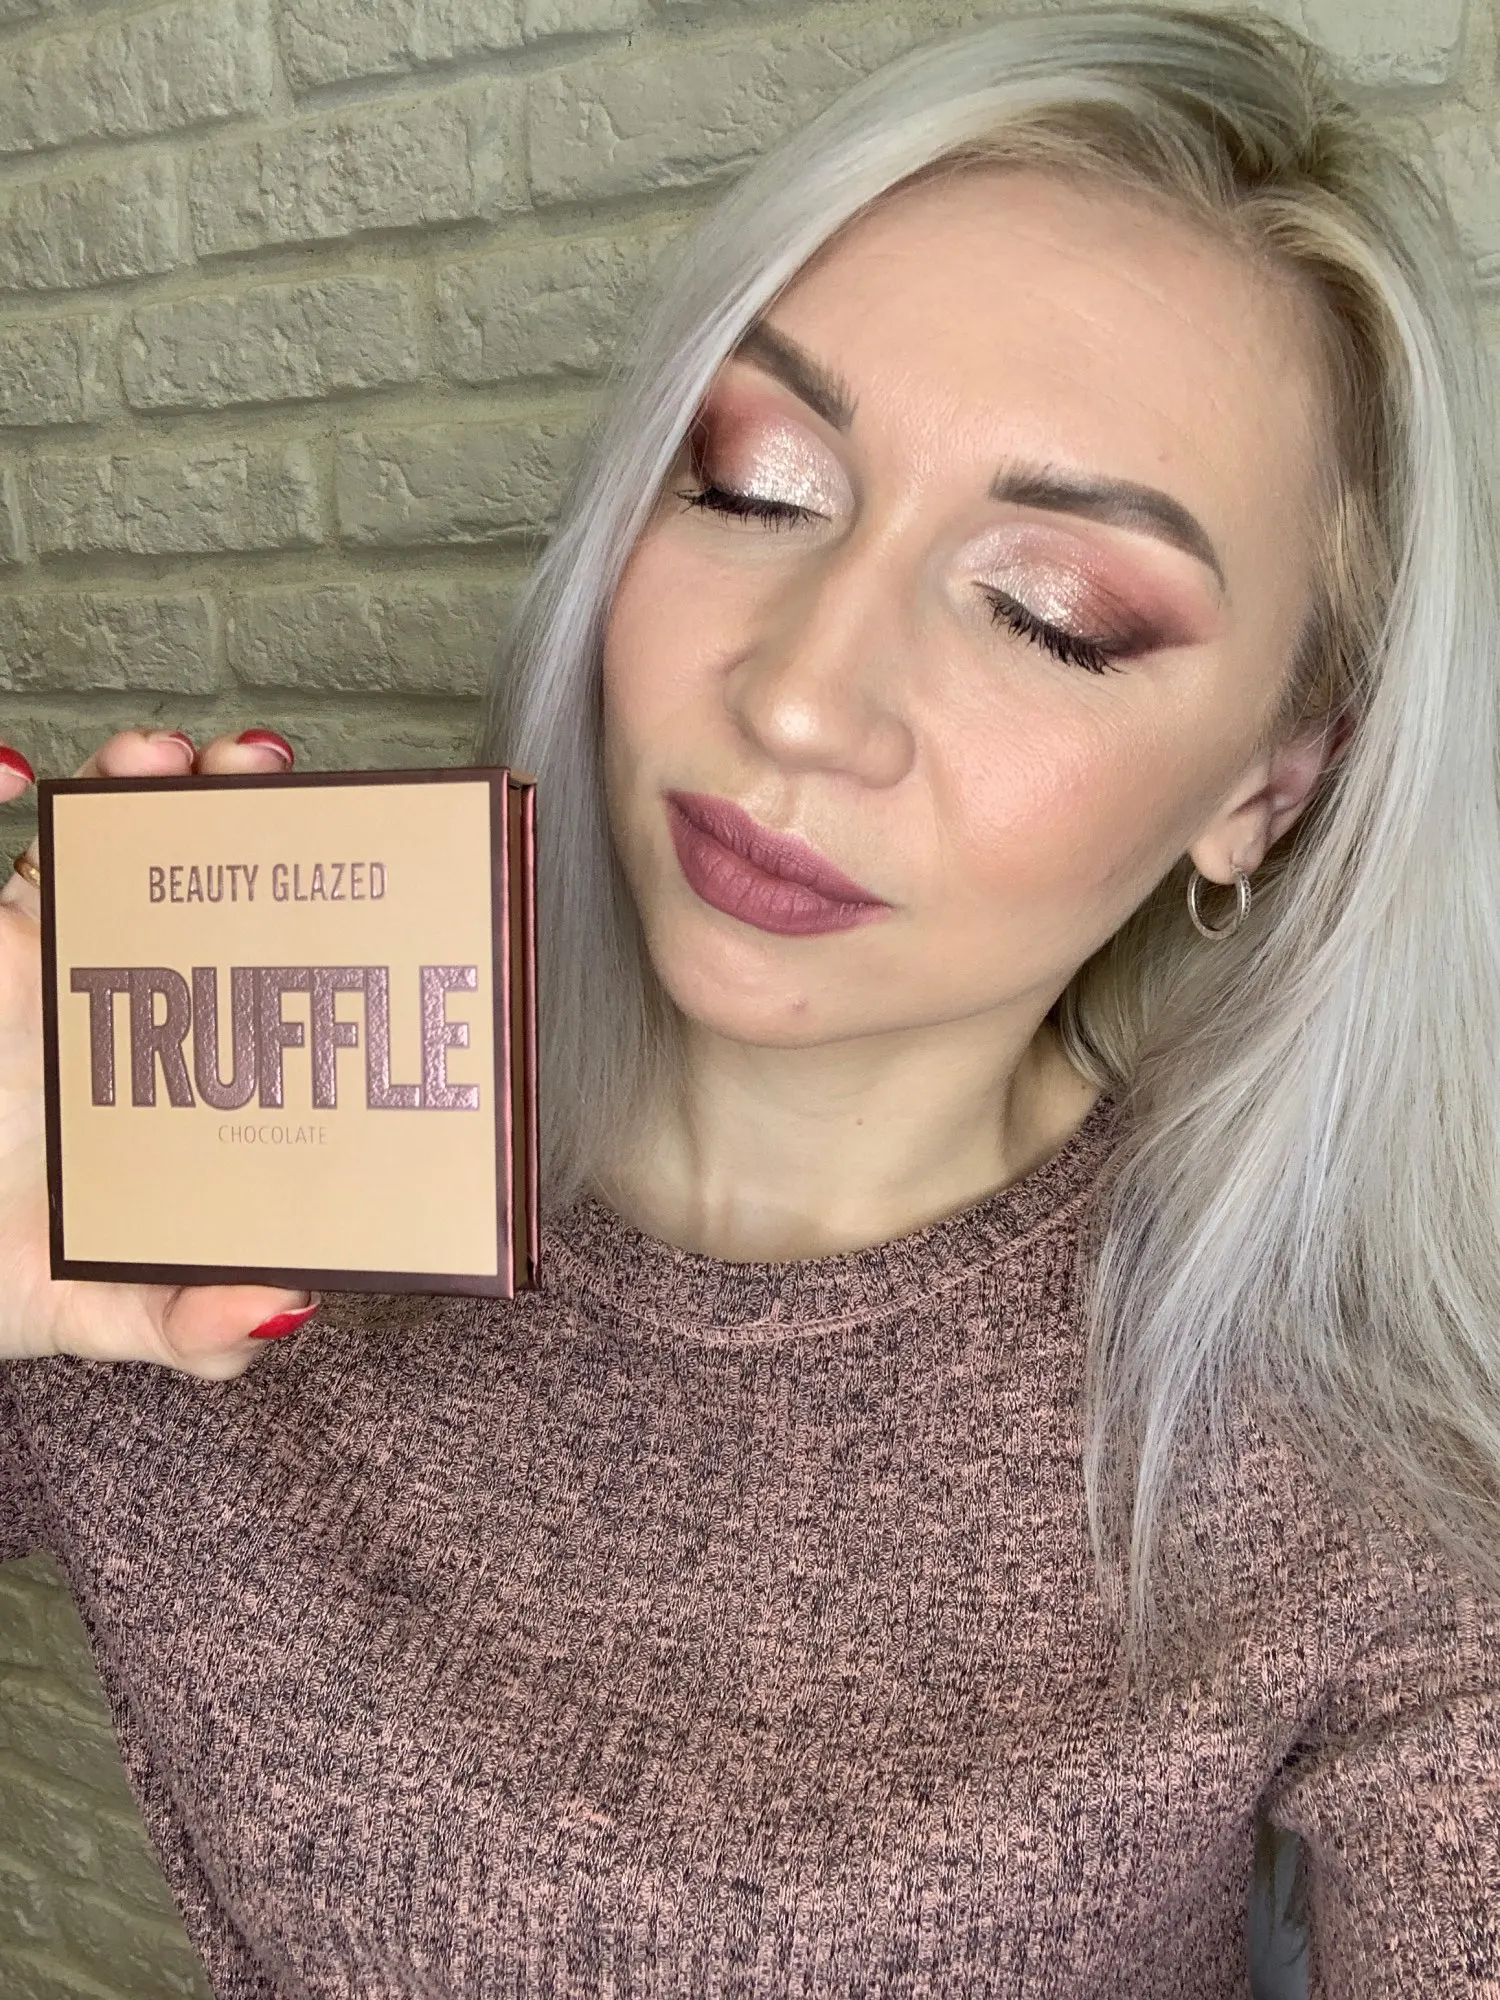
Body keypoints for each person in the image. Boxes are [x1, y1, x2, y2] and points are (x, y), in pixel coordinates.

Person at [2, 4, 1498, 1995]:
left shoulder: (1346, 1457)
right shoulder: (199, 1174)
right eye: (756, 485)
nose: (798, 696)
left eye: (1051, 615)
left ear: (1269, 787)